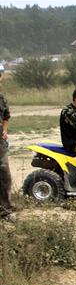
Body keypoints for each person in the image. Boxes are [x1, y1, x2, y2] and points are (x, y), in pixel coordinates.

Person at [0, 80, 13, 219]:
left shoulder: (1, 98)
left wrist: (4, 129)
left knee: (5, 177)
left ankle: (5, 210)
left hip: (0, 144)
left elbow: (6, 116)